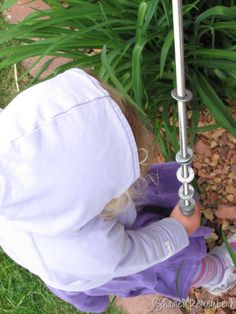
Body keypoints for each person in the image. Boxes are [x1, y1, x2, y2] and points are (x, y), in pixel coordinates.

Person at [0, 68, 235, 313]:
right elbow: (136, 251)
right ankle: (217, 273)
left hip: (77, 241)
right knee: (171, 266)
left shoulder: (11, 153)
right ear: (106, 197)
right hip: (109, 263)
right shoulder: (88, 252)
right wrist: (176, 230)